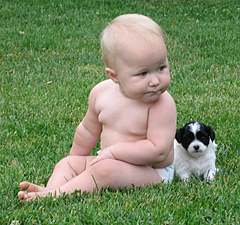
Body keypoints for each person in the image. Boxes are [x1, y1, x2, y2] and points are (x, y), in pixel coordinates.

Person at [18, 13, 177, 201]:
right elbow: (87, 130)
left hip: (152, 172)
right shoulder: (101, 93)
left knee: (106, 170)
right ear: (114, 76)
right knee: (67, 163)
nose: (155, 81)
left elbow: (158, 151)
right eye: (143, 73)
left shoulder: (162, 103)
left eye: (161, 68)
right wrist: (76, 161)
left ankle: (55, 196)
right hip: (108, 159)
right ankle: (52, 190)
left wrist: (114, 152)